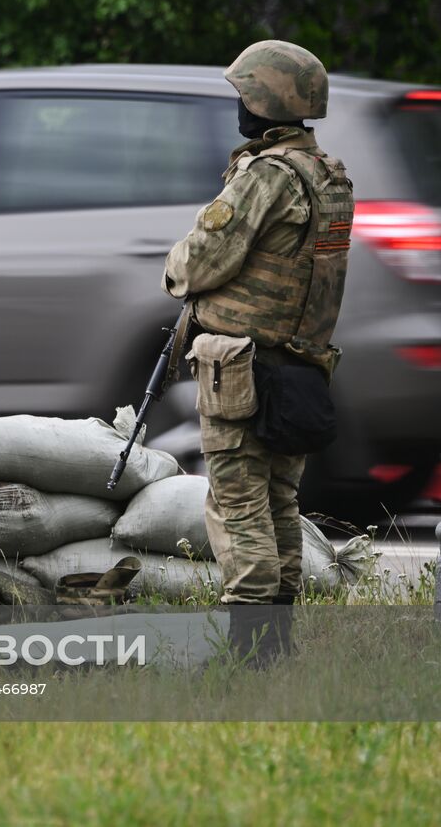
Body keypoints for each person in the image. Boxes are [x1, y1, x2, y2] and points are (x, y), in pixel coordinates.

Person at [162, 40, 353, 664]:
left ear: (264, 103)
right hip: (300, 368)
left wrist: (175, 269)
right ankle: (279, 643)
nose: (238, 108)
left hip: (243, 372)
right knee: (280, 505)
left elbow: (199, 262)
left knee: (239, 505)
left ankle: (250, 653)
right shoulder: (328, 175)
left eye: (243, 96)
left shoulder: (267, 176)